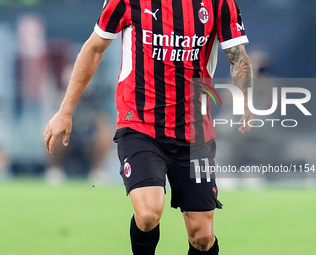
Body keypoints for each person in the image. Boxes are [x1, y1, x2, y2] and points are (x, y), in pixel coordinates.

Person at [44, 0, 253, 254]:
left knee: (202, 236)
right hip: (139, 124)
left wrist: (246, 98)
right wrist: (65, 111)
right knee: (148, 213)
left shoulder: (219, 3)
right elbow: (95, 48)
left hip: (194, 131)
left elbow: (237, 56)